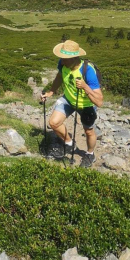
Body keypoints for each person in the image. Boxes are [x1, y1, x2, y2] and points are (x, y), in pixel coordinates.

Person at [41, 40, 103, 168]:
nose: (62, 61)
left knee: (89, 131)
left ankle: (90, 154)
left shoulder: (88, 71)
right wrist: (51, 91)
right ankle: (69, 143)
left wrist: (85, 87)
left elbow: (99, 101)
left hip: (87, 105)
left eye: (66, 59)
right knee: (53, 123)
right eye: (62, 58)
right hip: (69, 99)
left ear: (75, 57)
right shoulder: (62, 63)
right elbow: (59, 76)